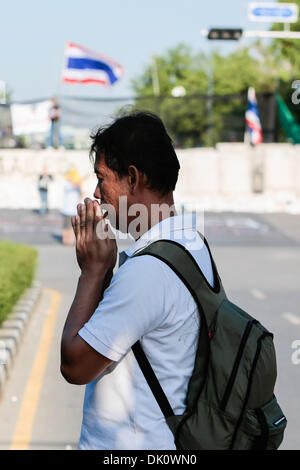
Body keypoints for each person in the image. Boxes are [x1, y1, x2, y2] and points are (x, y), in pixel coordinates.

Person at [60, 112, 215, 450]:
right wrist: (105, 272)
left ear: (132, 178)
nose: (97, 193)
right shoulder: (190, 243)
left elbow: (74, 365)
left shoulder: (149, 271)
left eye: (102, 179)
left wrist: (92, 271)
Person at [61, 167, 82, 245]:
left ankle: (71, 240)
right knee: (66, 226)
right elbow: (74, 185)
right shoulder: (68, 184)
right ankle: (65, 240)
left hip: (74, 210)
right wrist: (80, 181)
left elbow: (81, 194)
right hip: (67, 210)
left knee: (73, 227)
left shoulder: (77, 185)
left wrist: (81, 184)